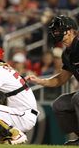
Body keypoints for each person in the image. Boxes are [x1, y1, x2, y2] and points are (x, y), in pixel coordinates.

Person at [26, 15, 79, 145]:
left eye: (60, 29)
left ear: (72, 30)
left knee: (77, 98)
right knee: (59, 104)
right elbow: (61, 79)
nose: (57, 33)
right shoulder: (67, 54)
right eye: (55, 30)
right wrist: (40, 81)